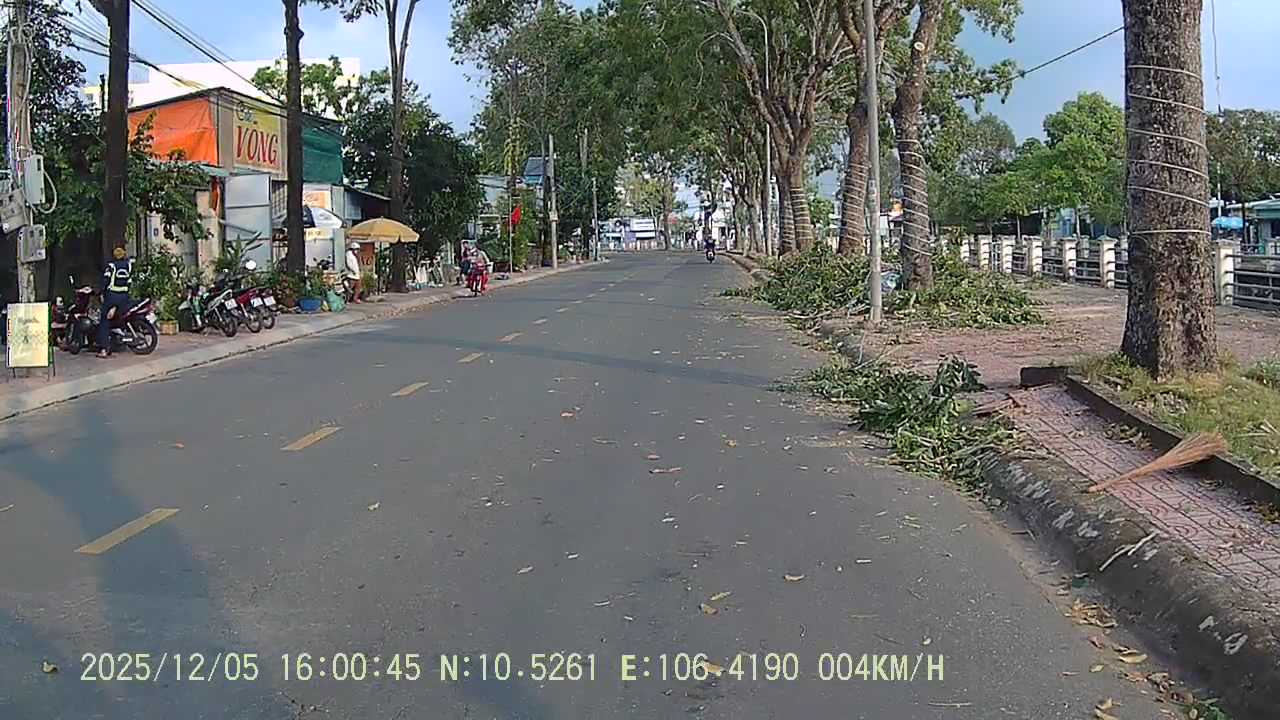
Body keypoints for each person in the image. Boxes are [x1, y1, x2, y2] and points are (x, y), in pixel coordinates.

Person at [96, 246, 133, 358]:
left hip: (112, 297)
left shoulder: (111, 266)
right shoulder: (128, 265)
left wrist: (100, 292)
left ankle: (104, 349)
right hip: (124, 297)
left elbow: (106, 281)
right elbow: (130, 281)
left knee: (104, 321)